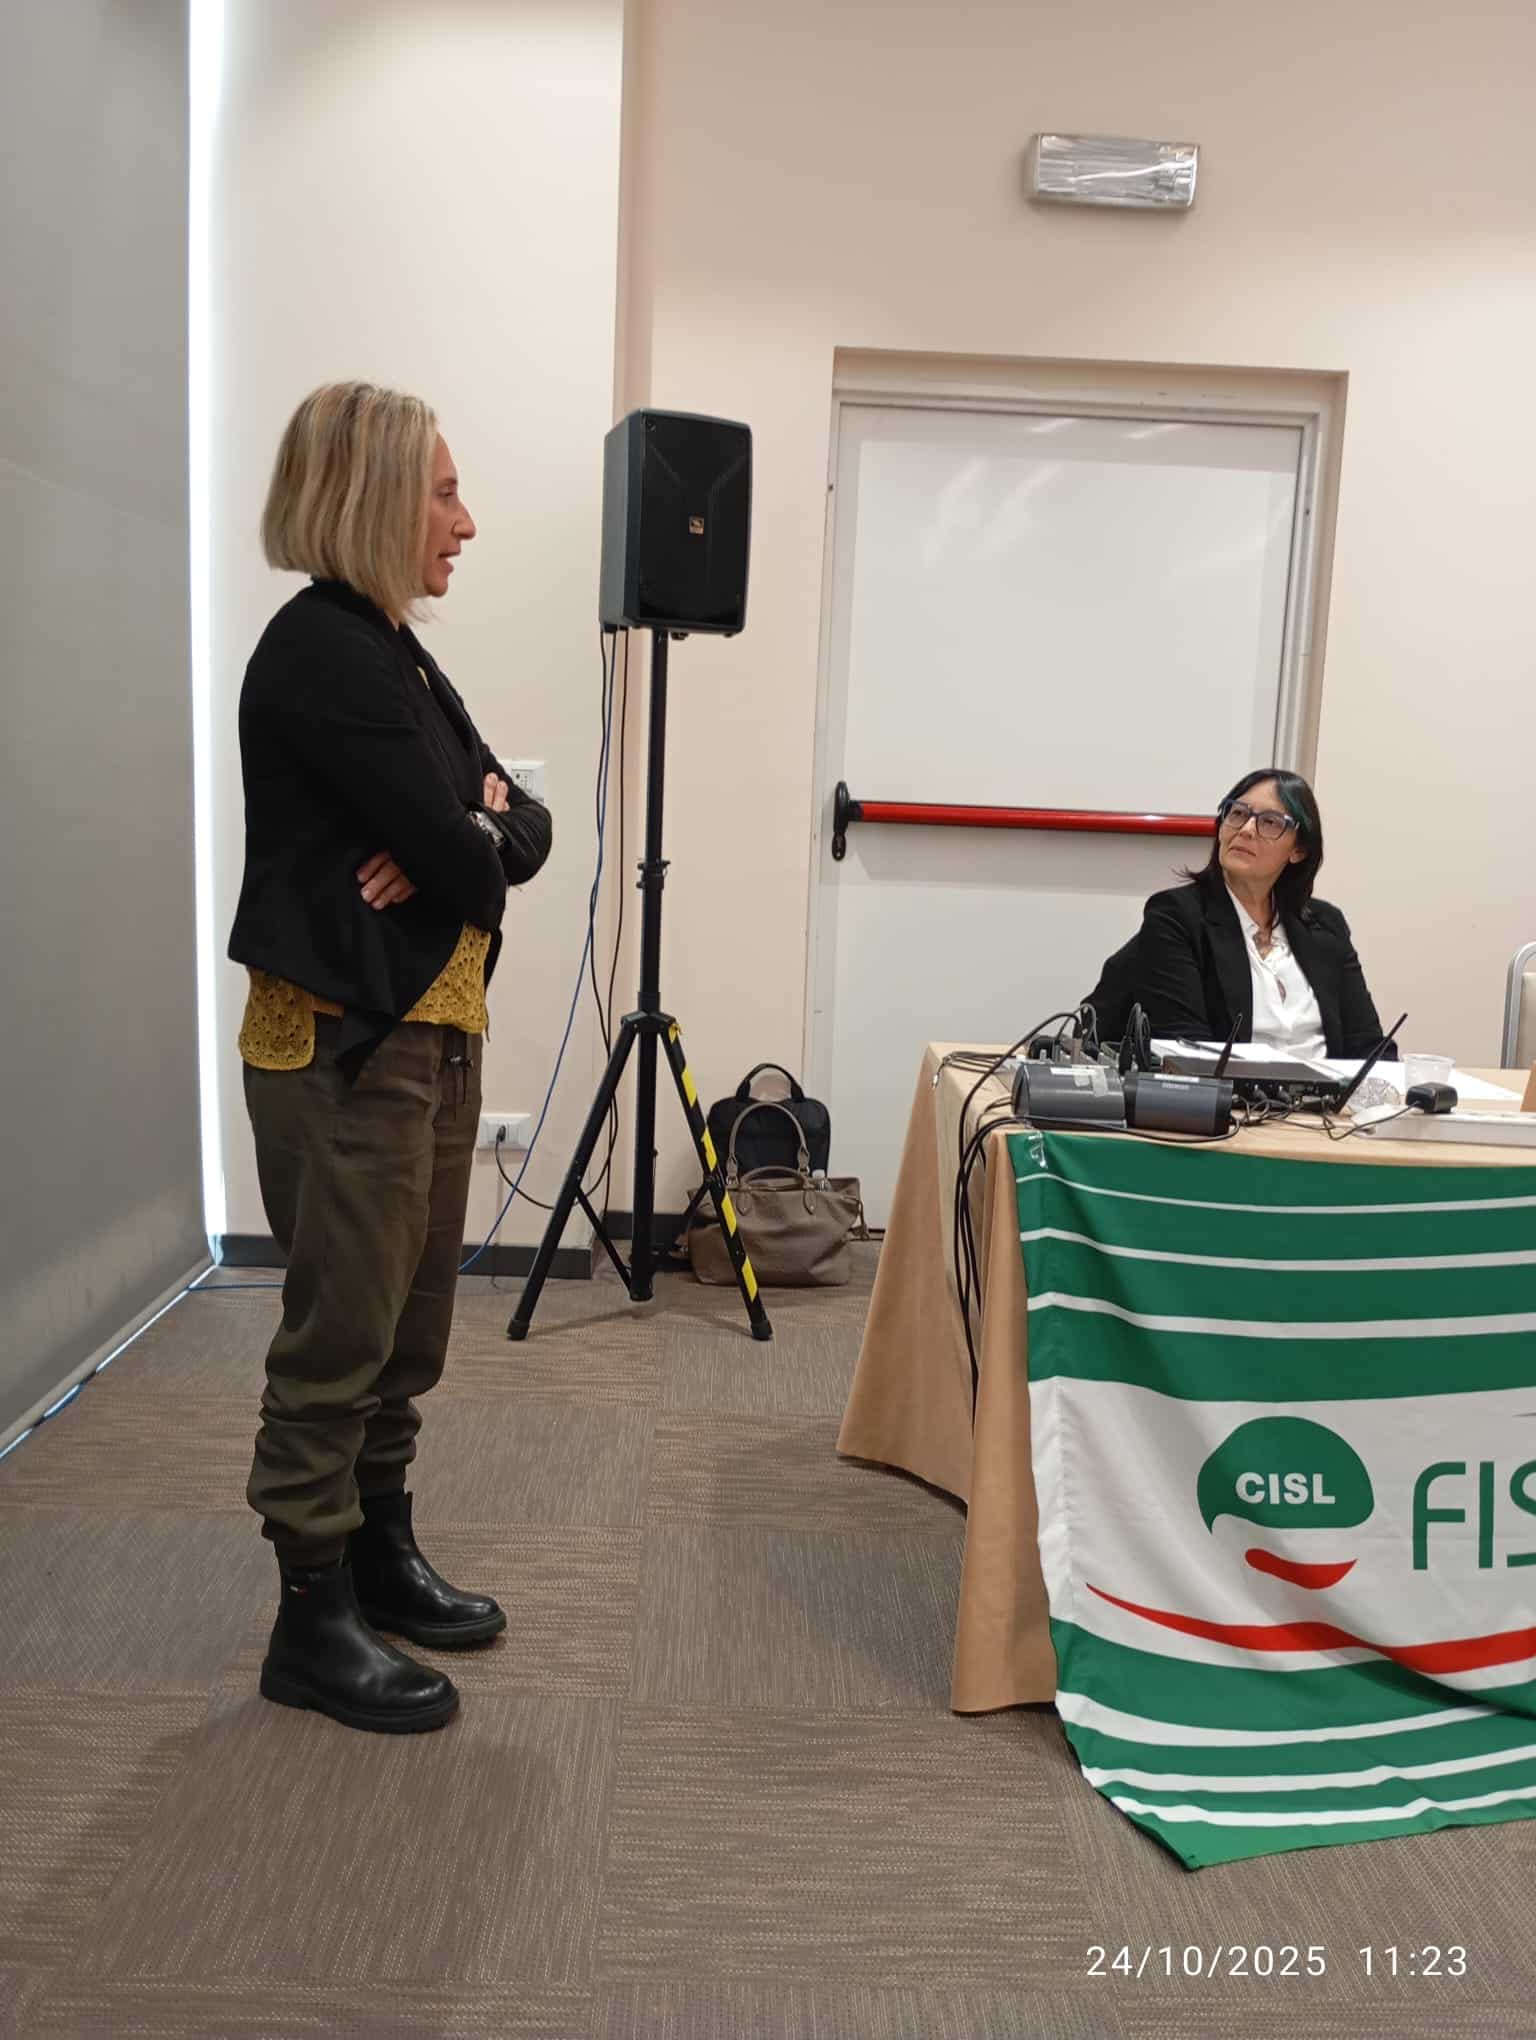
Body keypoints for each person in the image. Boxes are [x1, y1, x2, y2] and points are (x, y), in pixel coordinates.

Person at [228, 382, 552, 1733]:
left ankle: (378, 1556)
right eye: (444, 493)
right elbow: (470, 859)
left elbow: (523, 828)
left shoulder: (396, 650)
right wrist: (465, 834)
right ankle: (310, 1623)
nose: (465, 523)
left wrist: (473, 826)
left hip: (431, 1029)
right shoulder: (323, 652)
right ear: (370, 496)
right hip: (346, 1041)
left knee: (409, 1329)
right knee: (342, 1336)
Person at [1088, 767, 1390, 1060]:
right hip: (1233, 1094)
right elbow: (1189, 1052)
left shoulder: (1326, 924)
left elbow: (1371, 1048)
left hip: (1332, 1095)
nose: (1246, 830)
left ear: (1298, 850)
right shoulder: (1177, 916)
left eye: (1270, 822)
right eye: (1238, 813)